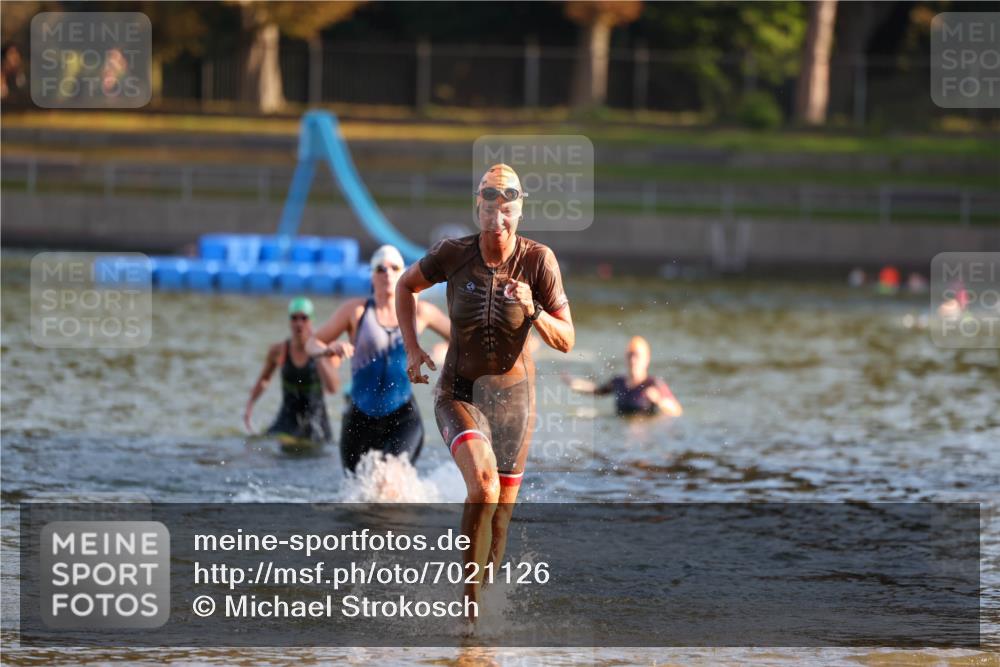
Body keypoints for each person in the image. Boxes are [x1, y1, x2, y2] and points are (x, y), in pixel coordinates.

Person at [396, 163, 575, 616]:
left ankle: (484, 604)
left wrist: (533, 309)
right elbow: (405, 286)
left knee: (500, 518)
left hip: (516, 401)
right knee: (482, 486)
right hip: (459, 391)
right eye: (489, 199)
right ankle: (470, 610)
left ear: (519, 210)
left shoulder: (539, 261)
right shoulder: (452, 254)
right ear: (478, 206)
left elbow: (568, 339)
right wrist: (413, 349)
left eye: (507, 200)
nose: (498, 209)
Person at [307, 245, 450, 473]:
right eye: (380, 269)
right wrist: (327, 349)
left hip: (402, 417)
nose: (387, 273)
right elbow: (311, 344)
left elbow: (463, 341)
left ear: (404, 273)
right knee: (359, 494)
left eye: (394, 268)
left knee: (388, 480)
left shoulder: (421, 312)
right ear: (372, 275)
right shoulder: (356, 311)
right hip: (358, 419)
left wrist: (446, 362)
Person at [243, 297, 344, 448]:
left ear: (311, 321)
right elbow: (264, 379)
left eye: (304, 318)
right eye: (294, 318)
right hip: (287, 419)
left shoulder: (325, 351)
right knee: (256, 447)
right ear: (289, 321)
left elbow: (333, 388)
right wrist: (250, 405)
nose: (299, 323)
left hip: (316, 421)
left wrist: (317, 353)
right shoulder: (278, 350)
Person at [563, 336, 682, 417]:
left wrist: (659, 401)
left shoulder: (653, 383)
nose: (633, 360)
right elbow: (596, 391)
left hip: (645, 431)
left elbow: (677, 410)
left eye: (637, 356)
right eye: (630, 355)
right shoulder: (618, 382)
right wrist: (573, 383)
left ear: (647, 358)